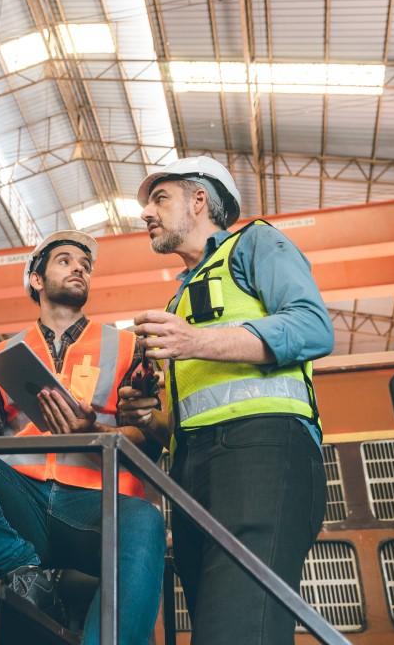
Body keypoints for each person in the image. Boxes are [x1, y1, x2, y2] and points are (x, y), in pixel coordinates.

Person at [0, 230, 165, 645]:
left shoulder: (129, 347)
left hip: (95, 504)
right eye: (65, 260)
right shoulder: (1, 355)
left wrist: (95, 430)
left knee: (146, 522)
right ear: (38, 281)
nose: (79, 267)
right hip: (20, 500)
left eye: (85, 265)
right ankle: (20, 566)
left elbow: (151, 441)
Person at [117, 156, 334, 644]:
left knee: (235, 628)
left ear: (199, 200)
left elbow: (313, 327)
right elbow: (185, 418)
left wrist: (194, 342)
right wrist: (150, 418)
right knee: (218, 627)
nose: (145, 214)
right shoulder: (179, 301)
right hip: (193, 468)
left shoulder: (255, 243)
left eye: (159, 198)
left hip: (262, 450)